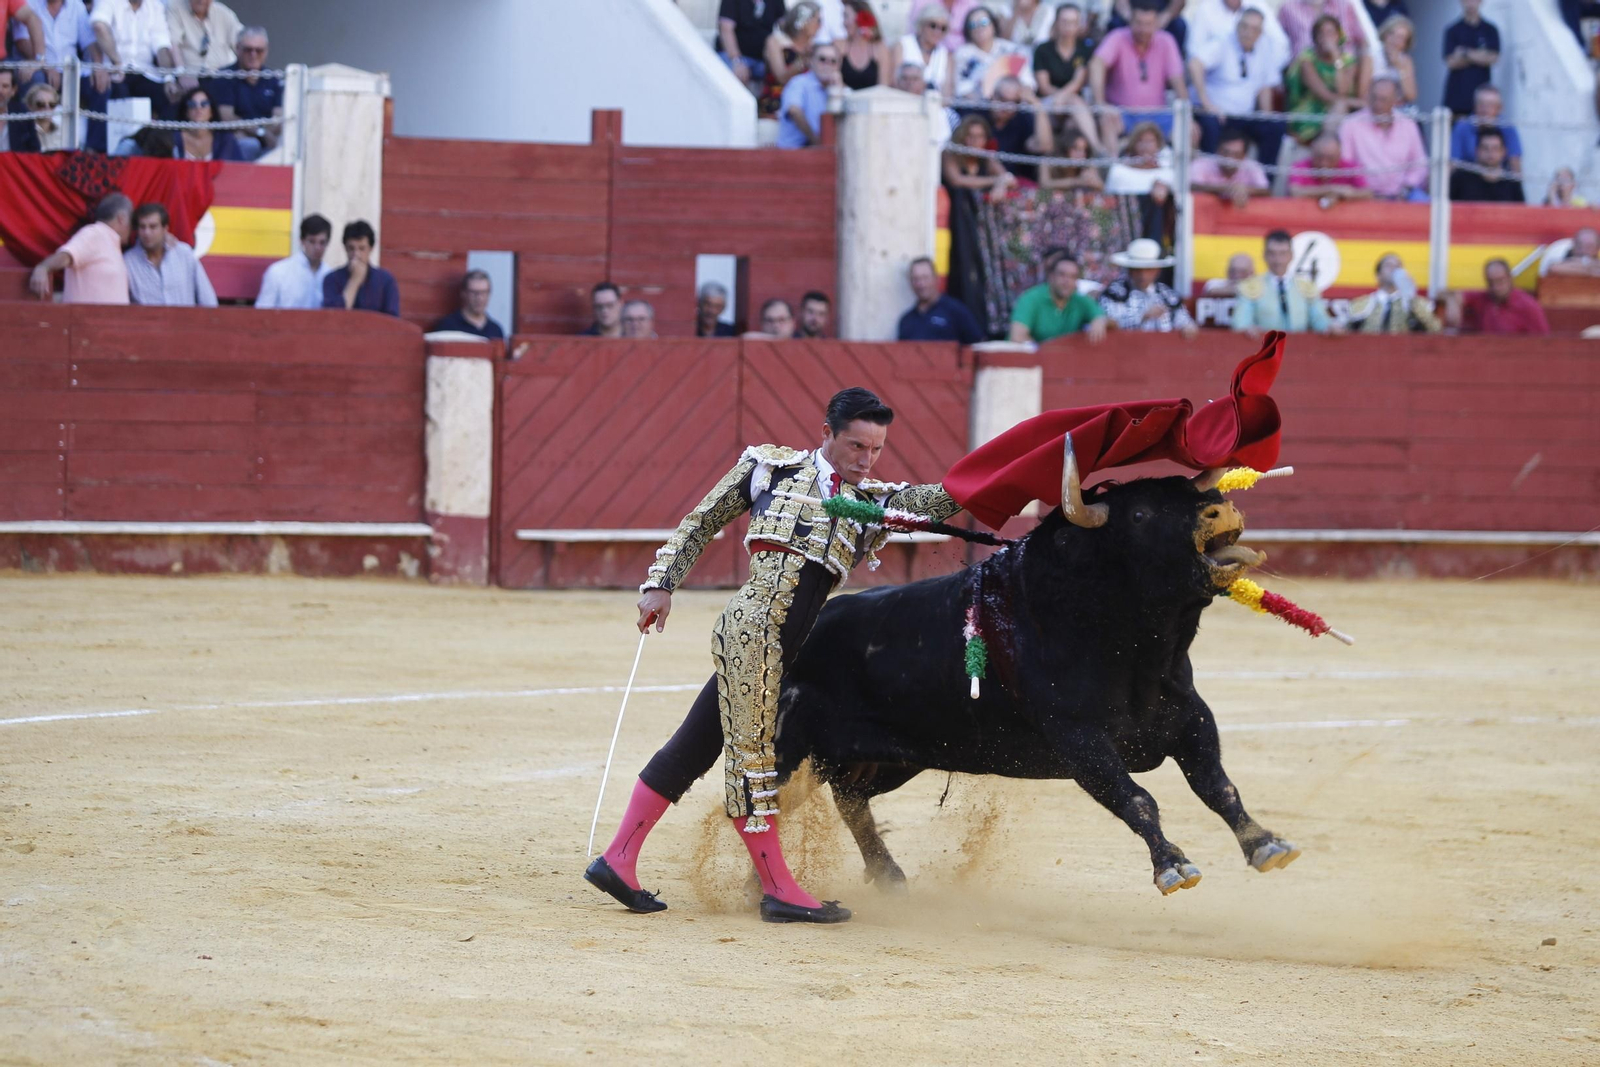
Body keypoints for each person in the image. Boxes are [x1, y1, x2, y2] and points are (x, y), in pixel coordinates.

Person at [585, 387, 962, 924]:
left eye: (876, 450)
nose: (865, 459)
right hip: (755, 634)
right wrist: (660, 583)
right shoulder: (770, 470)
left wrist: (1010, 474)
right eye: (856, 445)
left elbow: (940, 501)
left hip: (782, 647)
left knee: (694, 747)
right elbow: (701, 521)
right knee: (753, 768)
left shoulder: (868, 502)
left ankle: (617, 860)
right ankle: (779, 889)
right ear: (825, 433)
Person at [1190, 10, 1287, 171]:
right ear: (1237, 26)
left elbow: (1265, 86)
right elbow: (1195, 64)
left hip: (1244, 116)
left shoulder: (1265, 47)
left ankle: (1263, 183)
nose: (1248, 33)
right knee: (1209, 123)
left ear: (1260, 32)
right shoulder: (1222, 42)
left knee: (1274, 126)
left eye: (1254, 29)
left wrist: (1266, 115)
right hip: (1217, 115)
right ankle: (1210, 182)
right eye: (1244, 26)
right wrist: (1207, 104)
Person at [1089, 2, 1186, 147]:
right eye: (1139, 23)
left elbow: (1177, 79)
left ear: (1156, 23)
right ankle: (1113, 168)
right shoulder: (1118, 37)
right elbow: (1096, 63)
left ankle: (1183, 170)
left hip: (1158, 115)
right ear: (1131, 21)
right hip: (1123, 115)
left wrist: (1185, 110)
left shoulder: (1166, 40)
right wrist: (1100, 104)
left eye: (1148, 24)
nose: (1143, 29)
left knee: (1189, 129)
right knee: (1107, 122)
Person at [87, 0, 179, 135]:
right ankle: (98, 150)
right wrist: (117, 62)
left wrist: (169, 78)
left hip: (145, 72)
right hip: (113, 69)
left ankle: (158, 147)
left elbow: (162, 46)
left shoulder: (155, 6)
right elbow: (99, 26)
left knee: (171, 97)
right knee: (109, 89)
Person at [29, 192, 132, 304]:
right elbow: (66, 256)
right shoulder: (95, 233)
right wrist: (44, 267)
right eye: (131, 222)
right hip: (85, 320)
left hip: (105, 320)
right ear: (121, 219)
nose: (132, 228)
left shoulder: (110, 241)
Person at [1233, 229, 1340, 335]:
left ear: (1291, 255)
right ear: (1264, 255)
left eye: (1282, 254)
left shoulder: (1306, 287)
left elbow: (1319, 319)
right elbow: (1241, 322)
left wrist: (1329, 327)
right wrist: (1249, 329)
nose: (1278, 260)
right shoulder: (1250, 287)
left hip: (1299, 348)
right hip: (1266, 349)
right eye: (1272, 253)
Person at [1338, 74, 1427, 201]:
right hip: (1362, 195)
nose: (1377, 104)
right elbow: (1345, 165)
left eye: (1383, 99)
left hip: (1404, 194)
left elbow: (1420, 164)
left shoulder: (1408, 124)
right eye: (1374, 98)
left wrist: (1406, 188)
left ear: (1395, 101)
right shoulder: (1350, 124)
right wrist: (1365, 192)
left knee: (1426, 207)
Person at [1031, 3, 1102, 154]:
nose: (1068, 26)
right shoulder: (1043, 49)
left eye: (1073, 22)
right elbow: (1044, 86)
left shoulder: (1084, 49)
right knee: (1073, 101)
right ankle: (1098, 149)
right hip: (1048, 103)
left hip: (1072, 106)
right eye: (1064, 21)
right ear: (1056, 23)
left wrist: (1063, 97)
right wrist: (1060, 98)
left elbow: (1078, 81)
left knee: (1072, 121)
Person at [1284, 14, 1361, 145]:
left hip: (1338, 110)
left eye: (1331, 32)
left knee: (1340, 107)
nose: (1326, 37)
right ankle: (1327, 145)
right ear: (1316, 38)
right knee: (1340, 106)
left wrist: (1336, 57)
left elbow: (1343, 90)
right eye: (1322, 33)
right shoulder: (1306, 59)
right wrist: (1353, 102)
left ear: (1338, 36)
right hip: (1310, 111)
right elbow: (1325, 96)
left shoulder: (1348, 61)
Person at [122, 202, 217, 307]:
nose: (147, 233)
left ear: (165, 229)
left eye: (153, 227)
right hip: (148, 323)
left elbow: (207, 299)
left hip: (184, 323)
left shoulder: (184, 254)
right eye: (142, 227)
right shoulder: (128, 262)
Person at [1099, 238, 1197, 336]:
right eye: (1138, 270)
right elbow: (1107, 322)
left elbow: (1186, 322)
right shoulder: (1115, 292)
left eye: (1148, 270)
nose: (1143, 275)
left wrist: (1189, 327)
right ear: (1130, 270)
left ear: (1157, 271)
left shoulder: (1167, 295)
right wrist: (1142, 317)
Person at [211, 27, 282, 157]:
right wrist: (261, 133)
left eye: (259, 50)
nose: (253, 55)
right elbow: (227, 117)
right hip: (238, 139)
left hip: (267, 138)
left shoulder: (273, 78)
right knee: (250, 145)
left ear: (266, 51)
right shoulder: (225, 76)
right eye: (248, 50)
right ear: (238, 48)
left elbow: (278, 118)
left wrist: (264, 135)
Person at [1009, 252, 1108, 343]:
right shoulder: (1030, 299)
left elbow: (1103, 318)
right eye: (1062, 275)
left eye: (1073, 277)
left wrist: (1099, 321)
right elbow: (1017, 337)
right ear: (1051, 276)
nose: (1067, 281)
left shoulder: (1079, 300)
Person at [9, 0, 92, 92]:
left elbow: (89, 41)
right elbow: (22, 41)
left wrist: (99, 65)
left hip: (71, 69)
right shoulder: (27, 3)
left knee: (98, 81)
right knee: (34, 77)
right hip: (39, 66)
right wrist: (45, 65)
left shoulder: (76, 5)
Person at [1346, 253, 1441, 333]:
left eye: (1398, 266)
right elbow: (1344, 330)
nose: (1394, 269)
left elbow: (1435, 330)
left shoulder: (1413, 302)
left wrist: (1411, 297)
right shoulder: (1363, 303)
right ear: (1378, 275)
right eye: (1388, 265)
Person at [1449, 259, 1549, 335]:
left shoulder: (1528, 306)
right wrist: (1453, 305)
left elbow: (1544, 343)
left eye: (1500, 281)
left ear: (1510, 278)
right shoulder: (1484, 298)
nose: (1496, 287)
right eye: (1491, 282)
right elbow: (1451, 294)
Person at [321, 220, 400, 316]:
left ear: (371, 249)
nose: (356, 254)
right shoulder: (332, 279)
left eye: (362, 248)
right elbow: (332, 317)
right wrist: (354, 281)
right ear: (345, 248)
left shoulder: (385, 280)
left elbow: (393, 320)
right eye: (351, 248)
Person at [1186, 0, 1289, 72]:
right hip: (1217, 81)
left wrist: (1265, 74)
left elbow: (1279, 44)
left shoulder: (1258, 5)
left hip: (1255, 82)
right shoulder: (1206, 9)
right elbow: (1193, 53)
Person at [952, 5, 1030, 100]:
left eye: (983, 22)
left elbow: (1028, 83)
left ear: (993, 25)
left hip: (1013, 104)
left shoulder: (1011, 50)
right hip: (979, 107)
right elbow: (962, 87)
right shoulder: (963, 54)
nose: (979, 28)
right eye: (972, 25)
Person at [256, 214, 333, 309]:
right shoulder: (278, 272)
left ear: (328, 243)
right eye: (312, 241)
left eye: (322, 242)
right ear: (302, 241)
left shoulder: (329, 274)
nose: (317, 248)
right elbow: (262, 311)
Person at [897, 255, 983, 342]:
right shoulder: (906, 321)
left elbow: (977, 345)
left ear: (936, 279)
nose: (921, 284)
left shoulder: (956, 311)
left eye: (925, 278)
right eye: (916, 279)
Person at [986, 75, 1054, 182]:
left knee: (1050, 196)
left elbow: (1044, 146)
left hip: (1020, 187)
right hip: (984, 185)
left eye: (1014, 102)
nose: (1007, 107)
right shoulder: (978, 113)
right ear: (992, 95)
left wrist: (1037, 104)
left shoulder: (1022, 118)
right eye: (1003, 99)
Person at [761, 1, 821, 116]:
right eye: (818, 21)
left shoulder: (814, 47)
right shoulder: (776, 42)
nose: (820, 26)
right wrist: (803, 62)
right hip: (778, 100)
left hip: (806, 101)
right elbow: (781, 77)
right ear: (804, 22)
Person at [1443, 0, 1499, 122]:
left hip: (1483, 102)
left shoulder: (1490, 30)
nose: (1470, 2)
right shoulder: (1453, 30)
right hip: (1457, 99)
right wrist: (1480, 55)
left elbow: (1493, 58)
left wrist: (1465, 53)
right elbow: (1451, 62)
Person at [1190, 125, 1269, 209]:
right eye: (1225, 152)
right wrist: (1225, 188)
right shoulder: (1202, 164)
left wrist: (1245, 190)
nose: (1230, 158)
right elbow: (1192, 186)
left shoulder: (1252, 167)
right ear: (1217, 150)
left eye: (1236, 154)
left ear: (1244, 156)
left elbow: (1266, 191)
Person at [777, 42, 839, 148]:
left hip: (823, 154)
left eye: (833, 61)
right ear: (811, 61)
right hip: (794, 153)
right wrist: (816, 140)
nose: (828, 65)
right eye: (822, 59)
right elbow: (794, 111)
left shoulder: (840, 88)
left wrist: (838, 91)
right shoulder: (799, 83)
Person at [1450, 85, 1521, 176]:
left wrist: (1517, 188)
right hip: (1467, 182)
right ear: (1475, 106)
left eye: (1490, 105)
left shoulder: (1508, 128)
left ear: (1500, 108)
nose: (1485, 110)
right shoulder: (1462, 127)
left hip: (1499, 182)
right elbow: (1452, 163)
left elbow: (1515, 165)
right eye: (1481, 104)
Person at [717, 0, 787, 90]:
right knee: (736, 75)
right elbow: (726, 30)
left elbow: (787, 26)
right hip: (735, 56)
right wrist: (737, 61)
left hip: (762, 60)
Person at [1288, 131, 1370, 206]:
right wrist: (1331, 190)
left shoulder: (1352, 168)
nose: (1324, 163)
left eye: (1330, 158)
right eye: (1319, 157)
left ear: (1339, 155)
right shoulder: (1300, 166)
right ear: (1312, 152)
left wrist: (1348, 194)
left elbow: (1368, 193)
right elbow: (1294, 192)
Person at [892, 4, 955, 100]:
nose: (938, 31)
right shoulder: (902, 46)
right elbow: (894, 83)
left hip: (935, 108)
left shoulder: (946, 55)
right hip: (903, 103)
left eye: (943, 28)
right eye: (933, 25)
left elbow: (947, 94)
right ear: (921, 25)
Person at [943, 113, 1014, 196]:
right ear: (961, 136)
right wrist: (995, 180)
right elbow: (956, 180)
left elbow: (1009, 179)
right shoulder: (950, 153)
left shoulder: (986, 157)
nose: (975, 141)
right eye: (970, 135)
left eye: (980, 136)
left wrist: (1000, 186)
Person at [164, 0, 241, 76]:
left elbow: (243, 42)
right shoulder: (175, 7)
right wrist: (182, 73)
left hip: (222, 75)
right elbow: (173, 43)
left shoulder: (224, 13)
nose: (201, 1)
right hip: (192, 76)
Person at [1448, 128, 1524, 203]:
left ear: (1503, 152)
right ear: (1476, 151)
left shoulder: (1512, 183)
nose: (1490, 153)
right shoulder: (1459, 179)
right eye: (1485, 148)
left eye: (1495, 148)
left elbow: (1521, 212)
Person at [171, 85, 245, 160]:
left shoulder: (225, 139)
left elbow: (238, 168)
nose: (198, 108)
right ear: (186, 112)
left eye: (204, 104)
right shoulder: (173, 139)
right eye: (192, 104)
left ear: (211, 112)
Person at [1277, 0, 1365, 60]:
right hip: (1306, 77)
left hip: (1345, 70)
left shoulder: (1343, 4)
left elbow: (1363, 43)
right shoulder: (1288, 9)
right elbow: (1279, 51)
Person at [1104, 119, 1173, 195]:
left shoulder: (1167, 172)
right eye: (1141, 141)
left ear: (1158, 145)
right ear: (1134, 144)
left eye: (1150, 141)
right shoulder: (1119, 171)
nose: (1145, 146)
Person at [430, 270, 504, 340]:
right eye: (474, 293)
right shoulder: (448, 326)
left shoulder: (495, 330)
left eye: (484, 292)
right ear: (464, 293)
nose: (479, 298)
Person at [1039, 128, 1105, 199]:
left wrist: (1092, 181)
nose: (1081, 154)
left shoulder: (1088, 164)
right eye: (1076, 149)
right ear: (1066, 148)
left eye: (1084, 150)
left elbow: (1102, 188)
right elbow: (1044, 184)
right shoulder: (1048, 161)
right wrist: (1076, 181)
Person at [1367, 14, 1417, 105]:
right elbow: (1362, 93)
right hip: (1372, 108)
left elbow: (1411, 96)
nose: (1395, 40)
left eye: (1401, 38)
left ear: (1406, 44)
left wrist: (1400, 68)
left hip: (1396, 111)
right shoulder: (1371, 55)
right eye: (1391, 34)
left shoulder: (1406, 61)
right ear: (1385, 34)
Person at [838, 0, 888, 89]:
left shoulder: (879, 49)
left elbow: (883, 87)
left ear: (861, 17)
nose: (843, 23)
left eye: (846, 16)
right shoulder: (840, 46)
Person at [908, 0, 983, 50]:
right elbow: (913, 33)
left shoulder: (971, 4)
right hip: (927, 54)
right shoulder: (922, 2)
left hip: (963, 59)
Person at [21, 81, 67, 151]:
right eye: (40, 104)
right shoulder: (24, 133)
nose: (47, 108)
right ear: (30, 106)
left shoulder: (63, 132)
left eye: (52, 104)